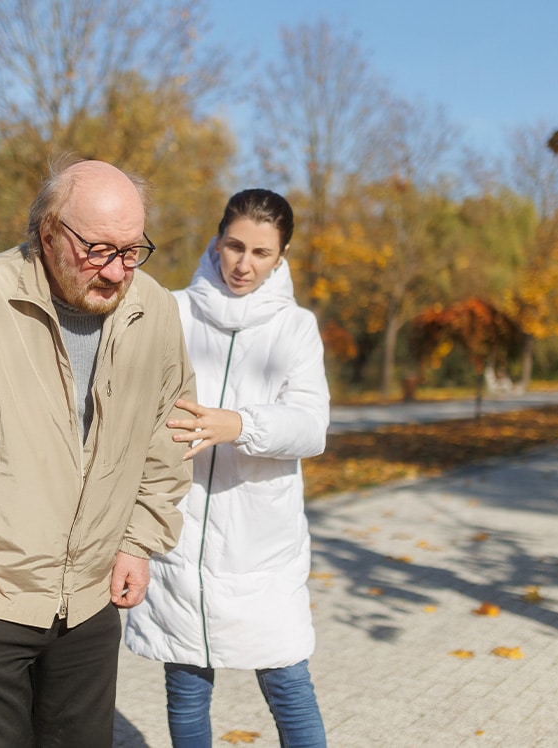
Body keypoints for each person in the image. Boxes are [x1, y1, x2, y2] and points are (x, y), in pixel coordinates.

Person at [0, 156, 196, 747]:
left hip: (92, 602)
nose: (118, 271)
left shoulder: (156, 310)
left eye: (132, 250)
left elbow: (167, 437)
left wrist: (137, 541)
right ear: (47, 234)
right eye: (99, 249)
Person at [124, 189, 331, 747]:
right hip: (178, 536)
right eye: (235, 246)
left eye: (262, 253)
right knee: (186, 687)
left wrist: (239, 424)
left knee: (289, 682)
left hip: (260, 547)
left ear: (281, 256)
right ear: (216, 240)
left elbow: (312, 427)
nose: (244, 264)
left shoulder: (295, 328)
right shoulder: (171, 310)